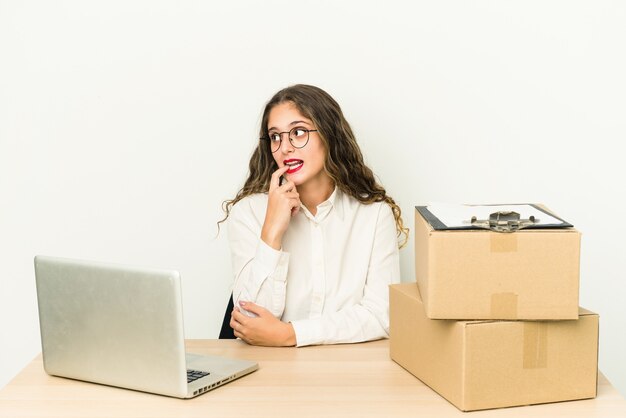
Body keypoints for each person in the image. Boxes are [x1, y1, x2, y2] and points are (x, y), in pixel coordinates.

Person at [220, 84, 407, 347]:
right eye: (275, 136)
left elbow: (381, 316)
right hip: (270, 374)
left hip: (349, 373)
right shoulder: (248, 213)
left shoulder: (374, 215)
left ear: (329, 136)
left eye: (298, 132)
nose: (284, 148)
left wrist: (291, 334)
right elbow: (249, 322)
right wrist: (271, 233)